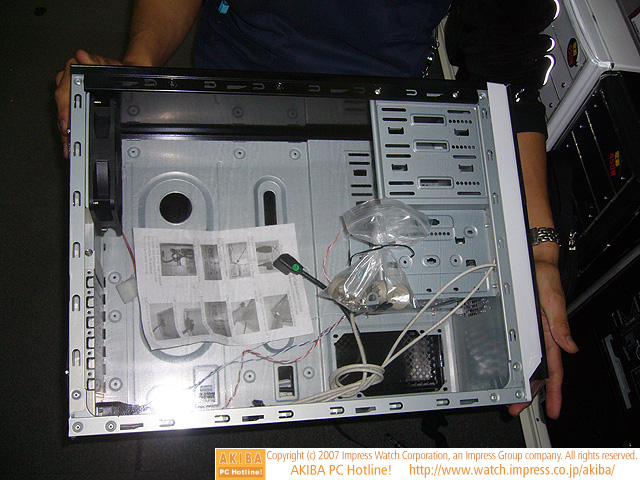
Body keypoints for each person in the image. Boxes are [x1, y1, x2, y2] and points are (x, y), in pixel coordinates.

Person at [55, 0, 579, 419]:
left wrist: (538, 247)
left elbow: (506, 64)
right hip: (233, 72)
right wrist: (138, 69)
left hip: (377, 92)